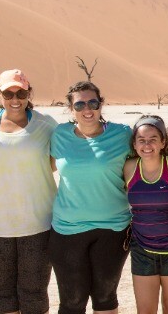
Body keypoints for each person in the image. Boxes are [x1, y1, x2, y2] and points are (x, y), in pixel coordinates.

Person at [0, 69, 58, 314]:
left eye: (21, 92)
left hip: (38, 223)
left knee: (34, 293)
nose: (15, 98)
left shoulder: (46, 124)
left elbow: (59, 162)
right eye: (8, 93)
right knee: (2, 293)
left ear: (29, 93)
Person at [49, 81, 133, 314]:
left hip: (113, 228)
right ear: (70, 108)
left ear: (101, 104)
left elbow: (147, 156)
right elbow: (41, 167)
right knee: (71, 301)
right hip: (67, 229)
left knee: (105, 297)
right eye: (80, 104)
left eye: (93, 103)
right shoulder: (60, 135)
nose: (87, 109)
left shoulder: (122, 134)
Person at [124, 115, 168, 314]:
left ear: (163, 142)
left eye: (153, 139)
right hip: (142, 249)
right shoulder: (129, 168)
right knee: (145, 310)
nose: (147, 144)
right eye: (141, 140)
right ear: (134, 144)